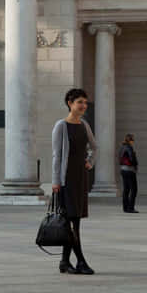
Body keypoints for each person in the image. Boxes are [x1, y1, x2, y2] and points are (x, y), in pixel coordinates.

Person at [51, 88, 98, 275]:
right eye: (80, 102)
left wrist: (89, 162)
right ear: (70, 103)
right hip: (66, 180)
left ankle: (64, 262)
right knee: (71, 222)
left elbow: (95, 147)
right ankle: (80, 261)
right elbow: (56, 156)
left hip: (80, 178)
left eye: (85, 103)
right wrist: (55, 182)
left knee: (74, 221)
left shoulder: (84, 125)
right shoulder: (61, 126)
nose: (83, 106)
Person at [119, 134, 139, 213]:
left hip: (123, 169)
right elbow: (132, 158)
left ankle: (125, 207)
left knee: (126, 189)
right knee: (134, 189)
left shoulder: (122, 147)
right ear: (130, 140)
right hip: (130, 170)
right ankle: (131, 207)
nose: (133, 142)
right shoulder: (129, 147)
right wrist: (135, 164)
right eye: (133, 140)